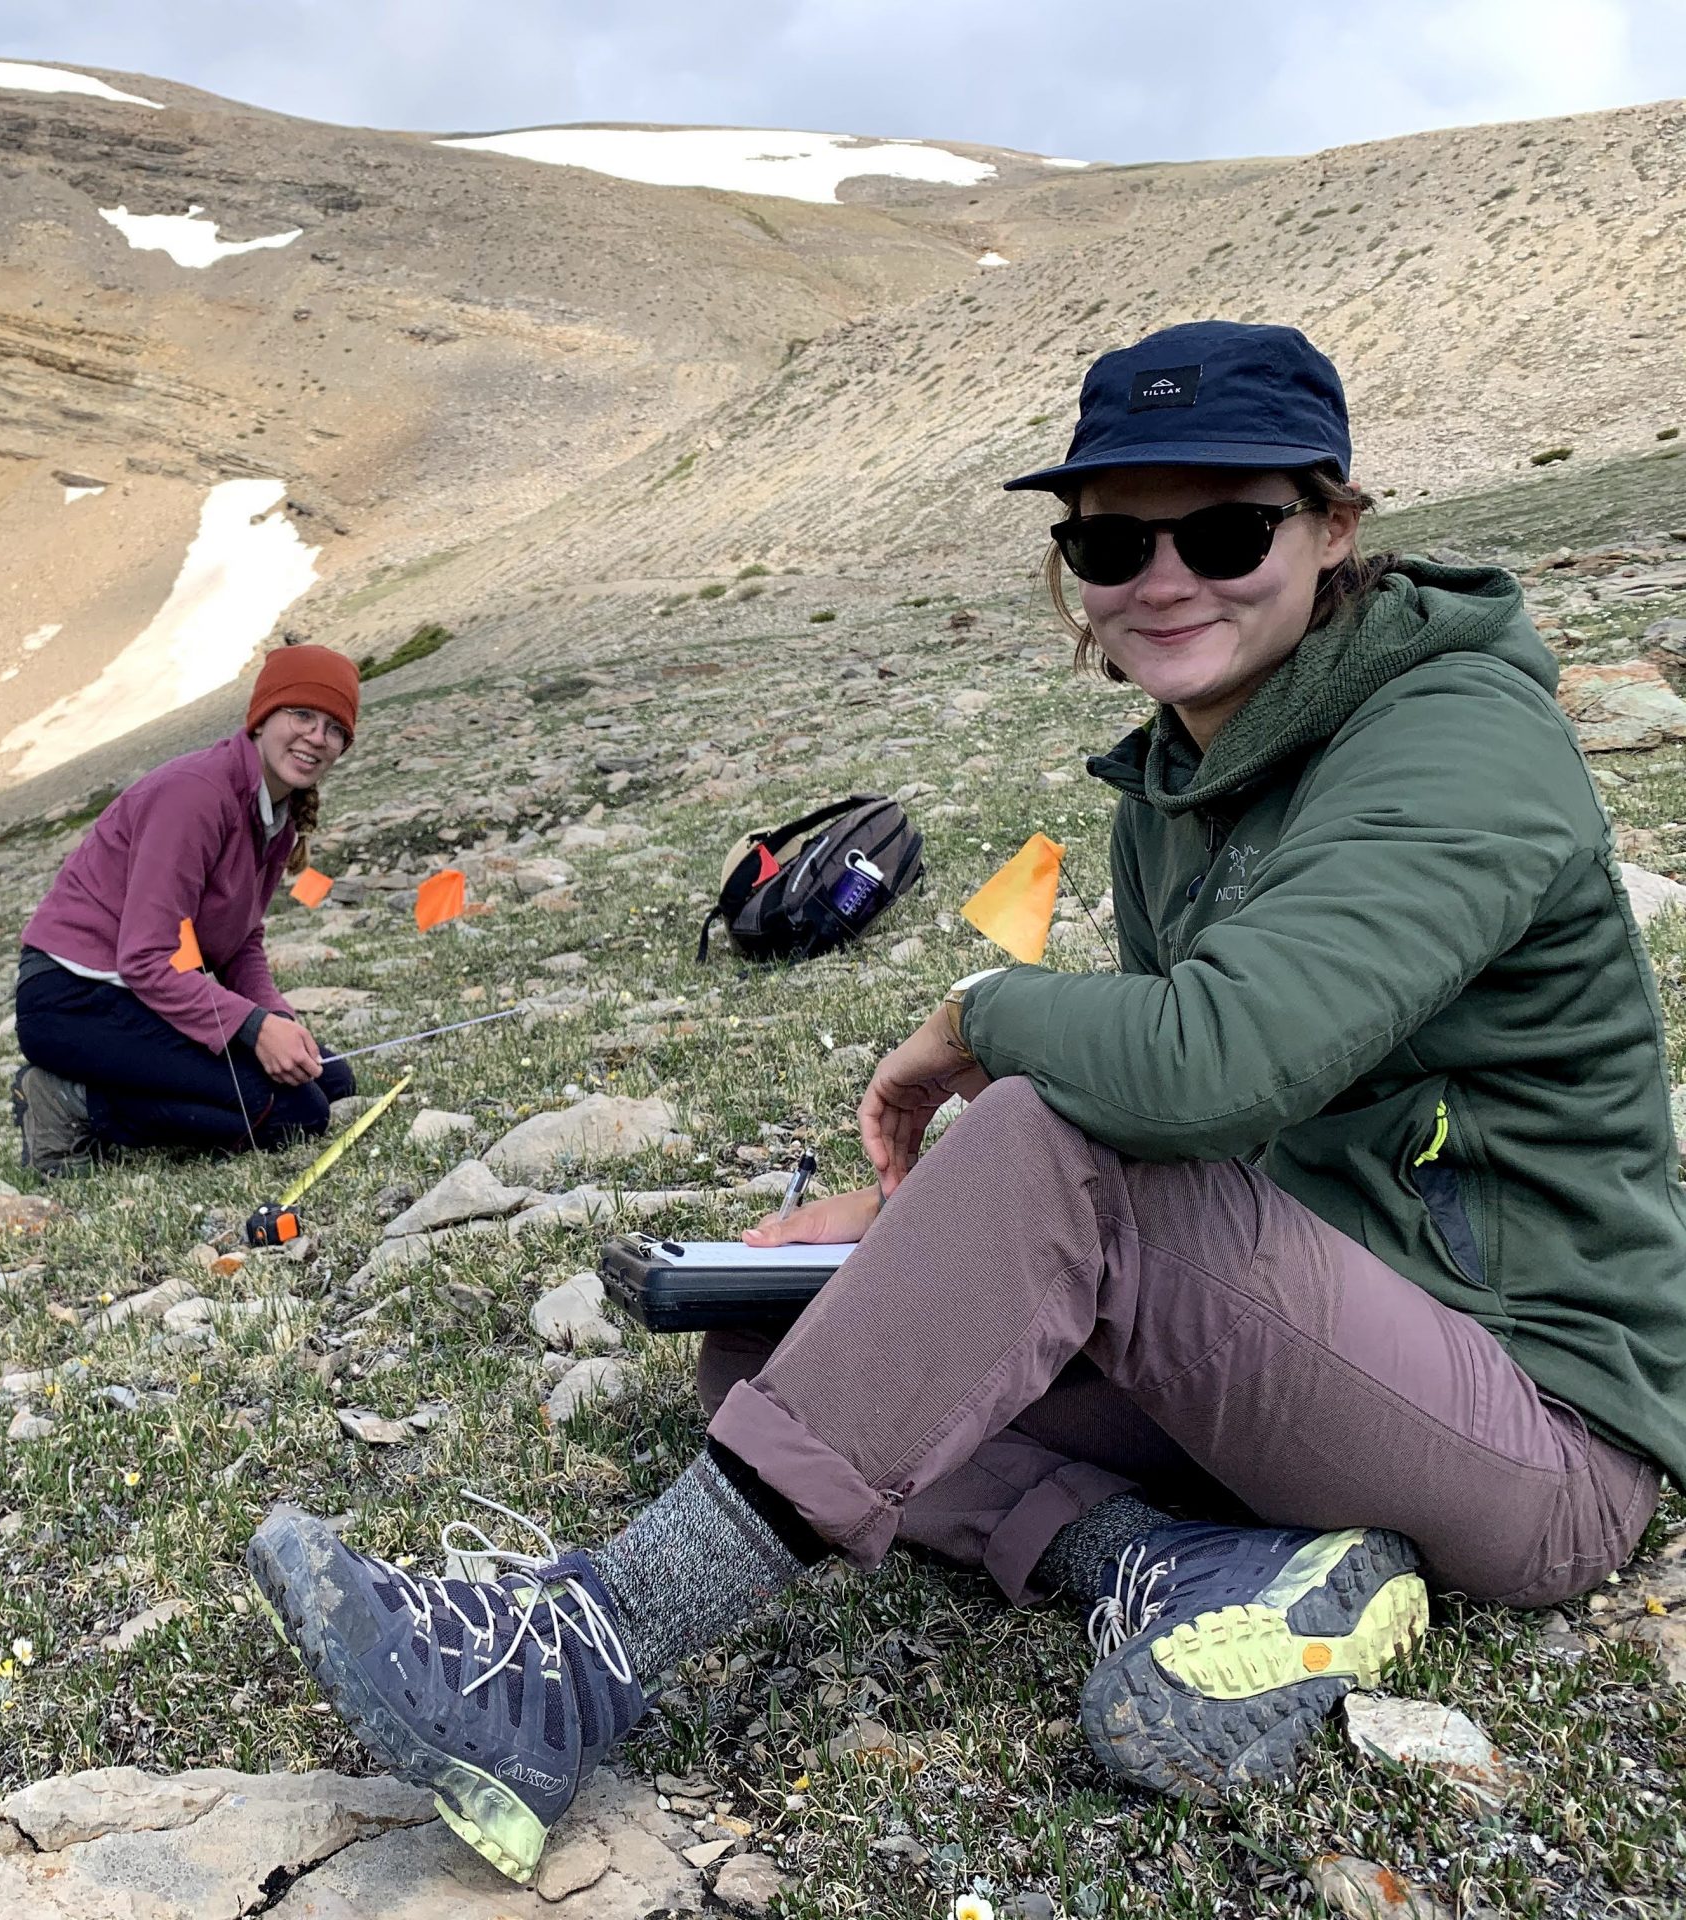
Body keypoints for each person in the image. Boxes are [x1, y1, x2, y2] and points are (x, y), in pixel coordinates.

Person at [244, 320, 1683, 1886]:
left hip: (1537, 1431)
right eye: (1113, 539)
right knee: (771, 1348)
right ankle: (1182, 1564)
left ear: (1335, 530)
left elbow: (1214, 1068)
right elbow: (1226, 1131)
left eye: (1225, 529)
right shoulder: (1185, 788)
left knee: (1056, 1146)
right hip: (1317, 1347)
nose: (1164, 578)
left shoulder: (1460, 737)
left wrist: (980, 1016)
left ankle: (580, 1654)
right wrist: (920, 1231)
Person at [11, 644, 360, 1172]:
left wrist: (276, 1018)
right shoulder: (196, 795)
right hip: (73, 1000)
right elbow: (146, 958)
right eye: (303, 714)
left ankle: (107, 1088)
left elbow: (241, 940)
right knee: (291, 1112)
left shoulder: (277, 815)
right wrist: (253, 1028)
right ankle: (70, 1102)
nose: (318, 736)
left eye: (335, 728)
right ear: (263, 718)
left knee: (329, 1078)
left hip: (137, 997)